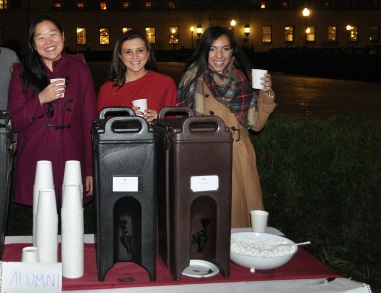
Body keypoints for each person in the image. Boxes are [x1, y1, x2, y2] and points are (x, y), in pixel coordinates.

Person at [177, 25, 276, 228]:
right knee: (215, 218)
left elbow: (256, 125)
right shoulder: (192, 80)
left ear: (233, 51)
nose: (219, 55)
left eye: (225, 48)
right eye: (212, 49)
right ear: (204, 51)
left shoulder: (242, 79)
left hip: (240, 155)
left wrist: (266, 93)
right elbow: (182, 122)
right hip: (207, 155)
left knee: (244, 221)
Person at [7, 14, 98, 207]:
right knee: (42, 220)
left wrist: (90, 169)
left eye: (52, 35)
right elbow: (14, 122)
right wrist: (41, 100)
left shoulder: (80, 70)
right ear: (33, 43)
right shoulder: (22, 71)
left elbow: (90, 122)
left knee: (72, 218)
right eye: (40, 37)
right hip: (36, 154)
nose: (48, 42)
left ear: (63, 36)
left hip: (73, 155)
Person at [97, 30, 178, 122]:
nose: (135, 57)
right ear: (120, 56)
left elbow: (176, 122)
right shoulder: (108, 89)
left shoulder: (165, 83)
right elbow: (103, 127)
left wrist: (160, 119)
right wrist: (124, 119)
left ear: (148, 53)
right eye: (128, 52)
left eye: (140, 50)